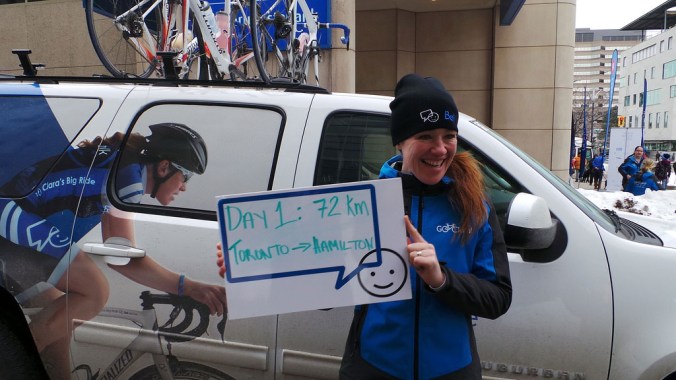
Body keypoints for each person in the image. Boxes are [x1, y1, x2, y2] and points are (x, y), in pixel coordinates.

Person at [0, 123, 226, 379]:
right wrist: (189, 286)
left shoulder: (124, 169)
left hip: (10, 215)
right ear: (164, 167)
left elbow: (117, 251)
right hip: (9, 216)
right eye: (186, 176)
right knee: (96, 291)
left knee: (58, 320)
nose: (184, 187)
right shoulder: (129, 178)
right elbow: (123, 258)